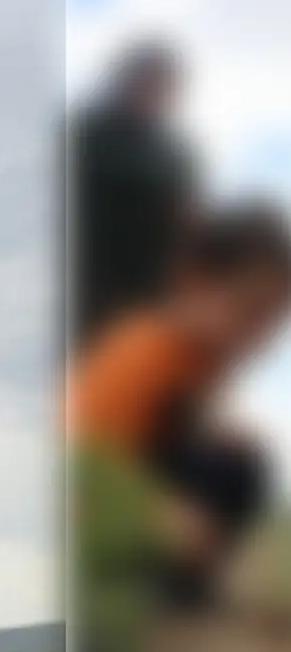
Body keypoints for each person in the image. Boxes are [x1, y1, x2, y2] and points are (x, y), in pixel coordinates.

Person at [71, 200, 289, 617]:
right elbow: (78, 466)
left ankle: (184, 596)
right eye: (246, 310)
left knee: (238, 457)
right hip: (100, 524)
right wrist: (154, 516)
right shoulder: (138, 355)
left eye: (270, 319)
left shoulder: (198, 365)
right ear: (192, 282)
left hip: (144, 519)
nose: (255, 332)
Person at [70, 39, 199, 349]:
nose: (152, 93)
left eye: (163, 86)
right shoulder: (83, 136)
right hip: (92, 292)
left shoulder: (174, 156)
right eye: (144, 81)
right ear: (123, 82)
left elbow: (184, 225)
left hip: (148, 301)